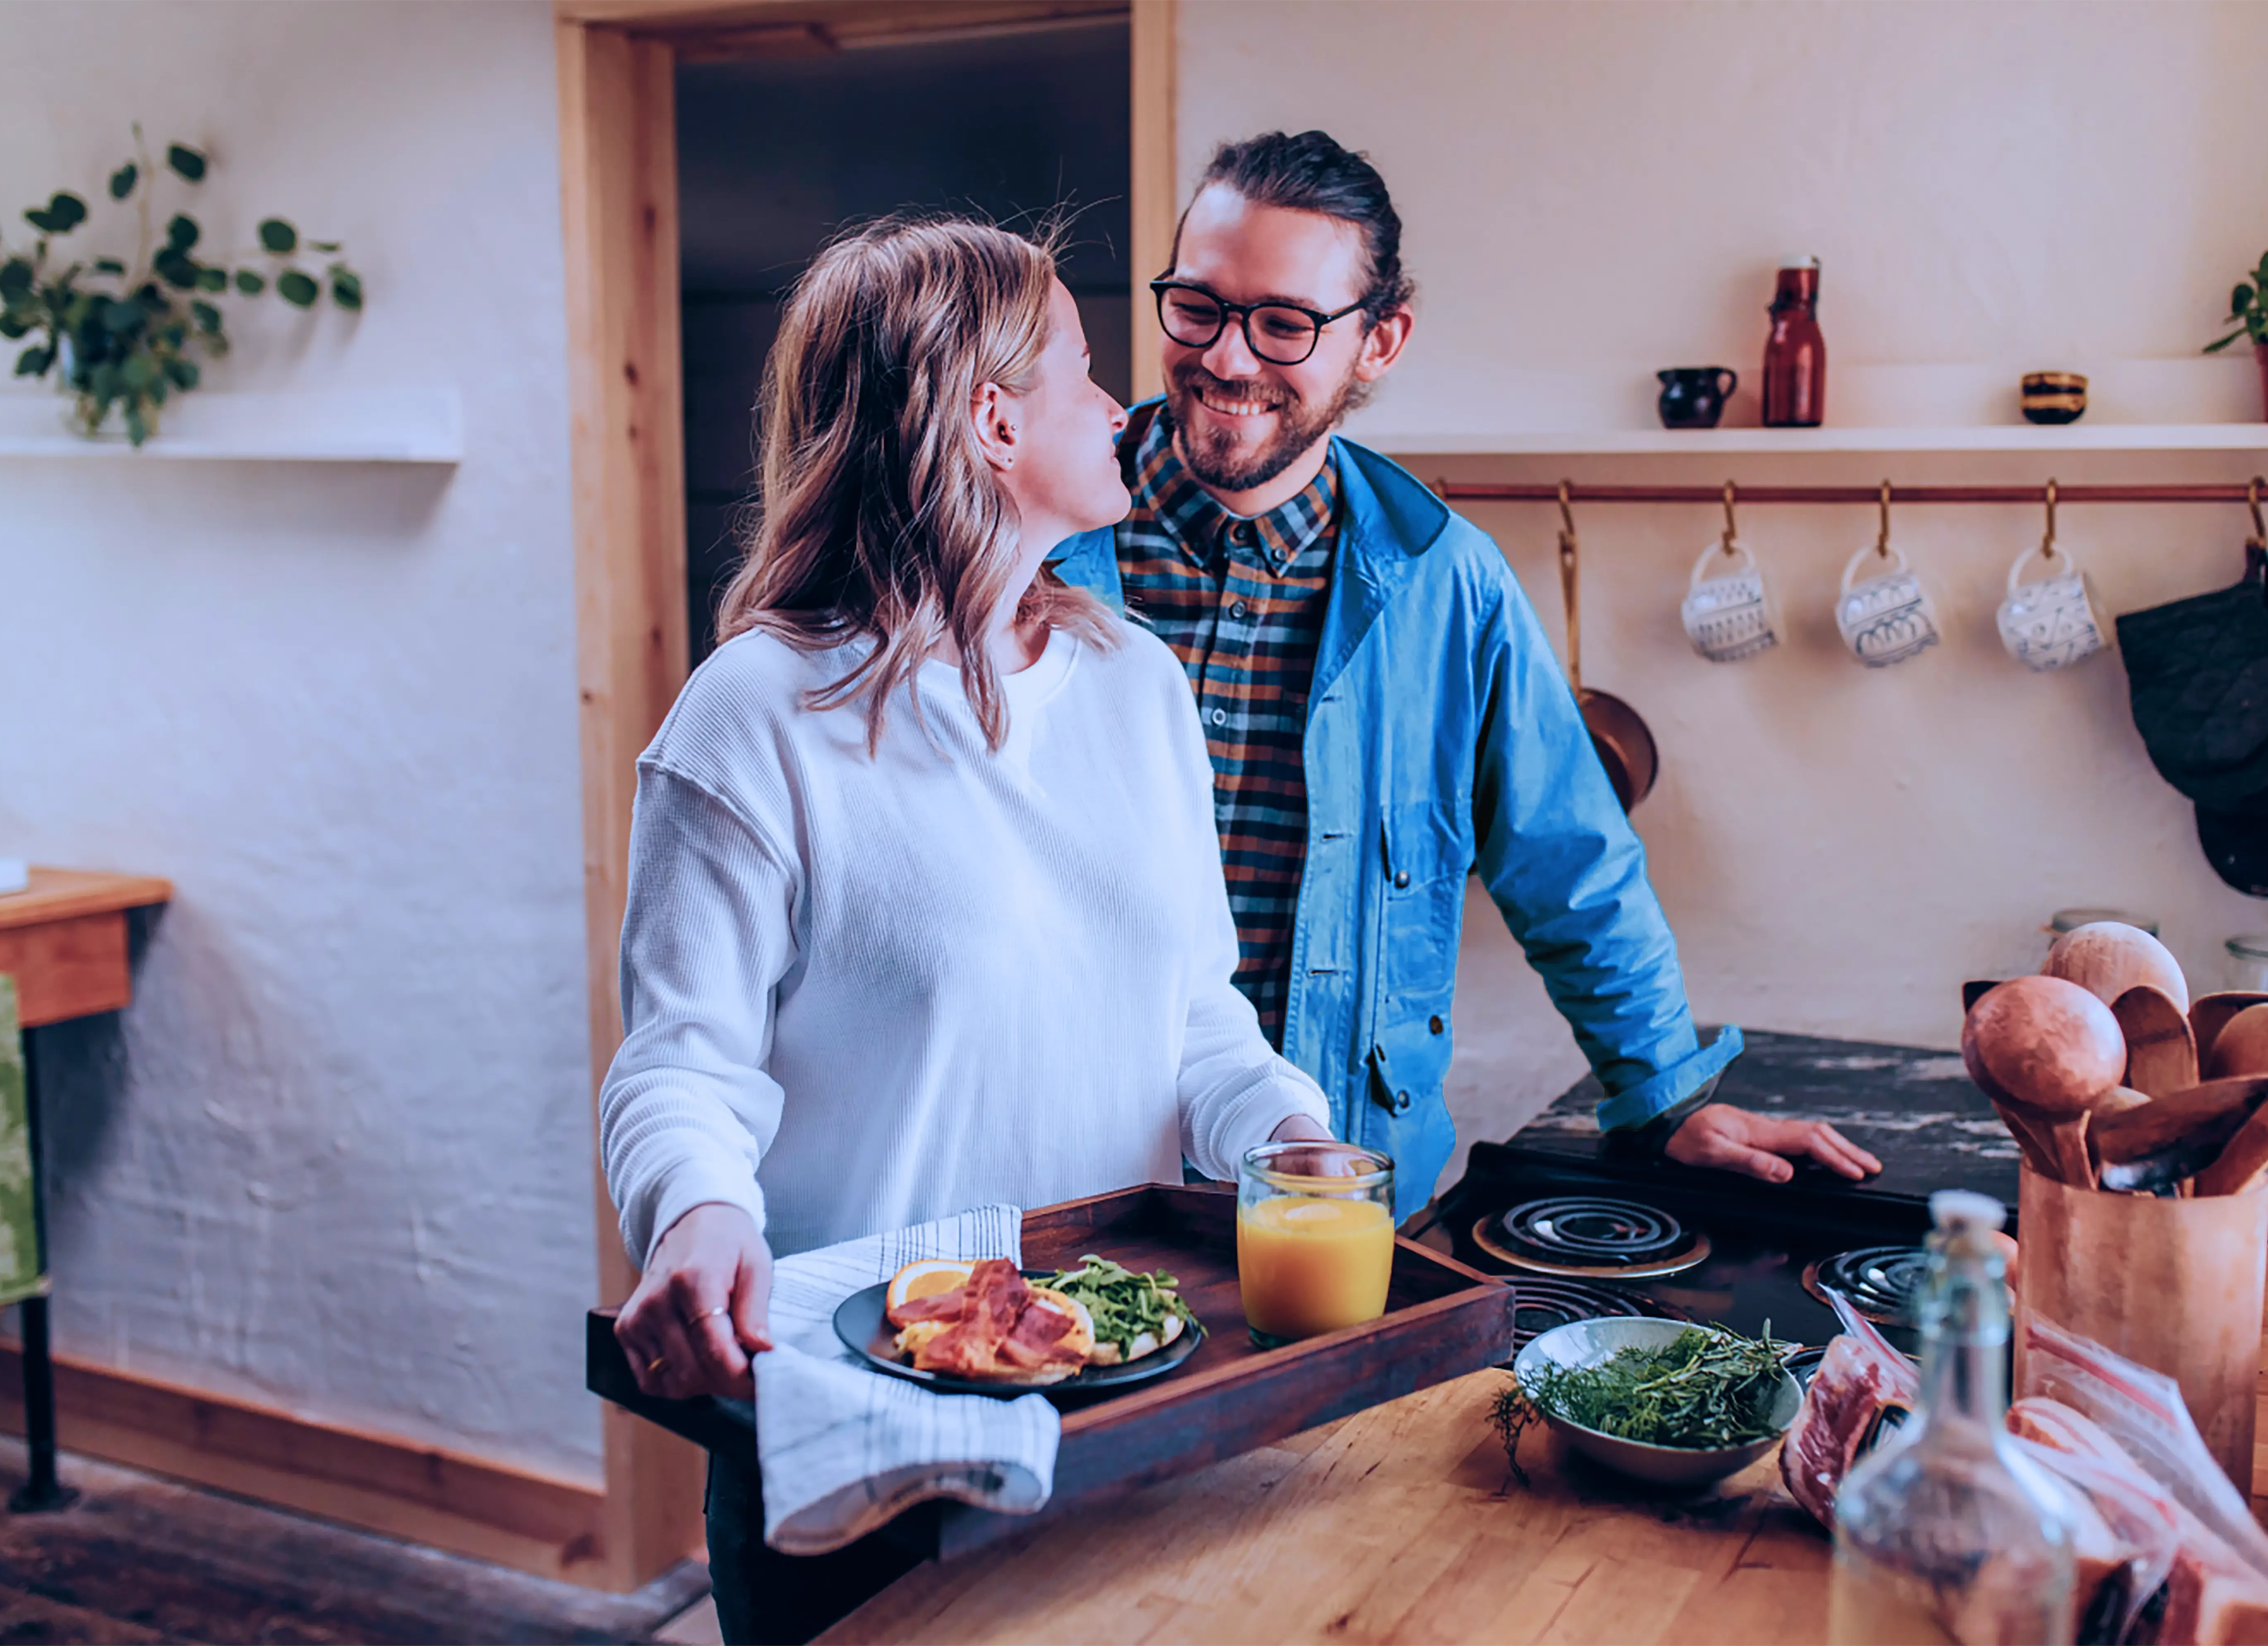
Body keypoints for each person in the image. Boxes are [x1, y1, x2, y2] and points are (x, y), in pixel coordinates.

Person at [597, 215, 1335, 1644]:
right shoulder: (755, 717)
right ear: (992, 421)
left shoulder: (1138, 689)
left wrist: (1290, 1140)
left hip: (1121, 1407)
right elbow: (681, 1066)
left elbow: (1195, 1019)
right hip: (860, 1433)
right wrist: (695, 1211)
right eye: (1082, 368)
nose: (1121, 405)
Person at [1051, 131, 1882, 1210]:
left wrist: (1668, 1097)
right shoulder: (1032, 535)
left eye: (1286, 323)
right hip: (1063, 1169)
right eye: (1199, 306)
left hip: (1328, 1192)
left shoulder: (1449, 585)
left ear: (1381, 339)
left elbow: (1571, 865)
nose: (1229, 359)